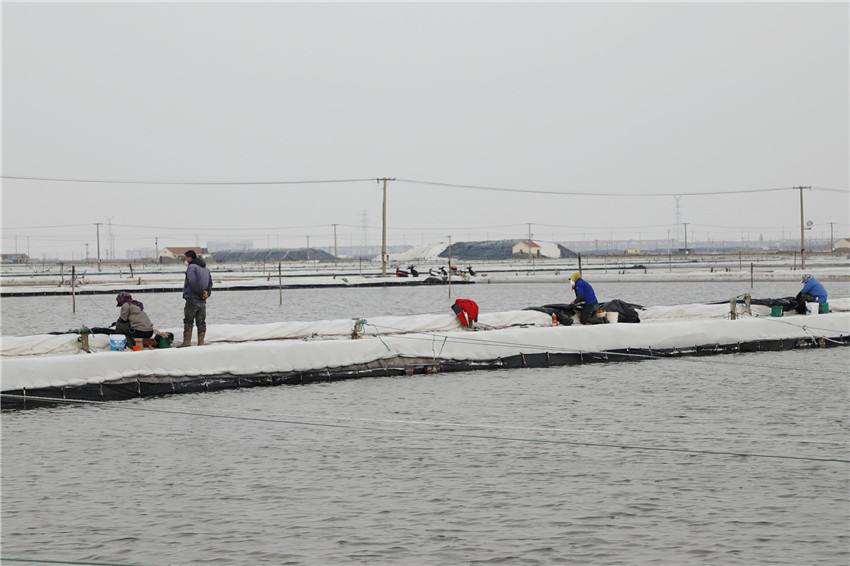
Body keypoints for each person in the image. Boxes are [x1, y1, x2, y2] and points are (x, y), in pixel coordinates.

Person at [180, 250, 213, 347]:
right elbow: (210, 283)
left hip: (192, 297)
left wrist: (200, 293)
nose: (185, 260)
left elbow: (192, 281)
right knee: (201, 322)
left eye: (185, 258)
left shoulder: (191, 267)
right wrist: (207, 293)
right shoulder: (206, 269)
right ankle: (201, 343)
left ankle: (186, 342)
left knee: (188, 320)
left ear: (190, 258)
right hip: (202, 300)